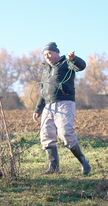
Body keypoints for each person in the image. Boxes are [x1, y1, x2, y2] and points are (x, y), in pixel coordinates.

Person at [33, 42, 91, 175]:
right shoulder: (46, 69)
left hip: (64, 102)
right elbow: (42, 91)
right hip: (48, 106)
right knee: (46, 135)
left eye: (49, 53)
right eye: (45, 54)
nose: (47, 56)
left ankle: (83, 161)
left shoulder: (66, 63)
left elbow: (81, 66)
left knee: (66, 133)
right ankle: (54, 168)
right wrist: (38, 109)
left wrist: (74, 59)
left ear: (56, 53)